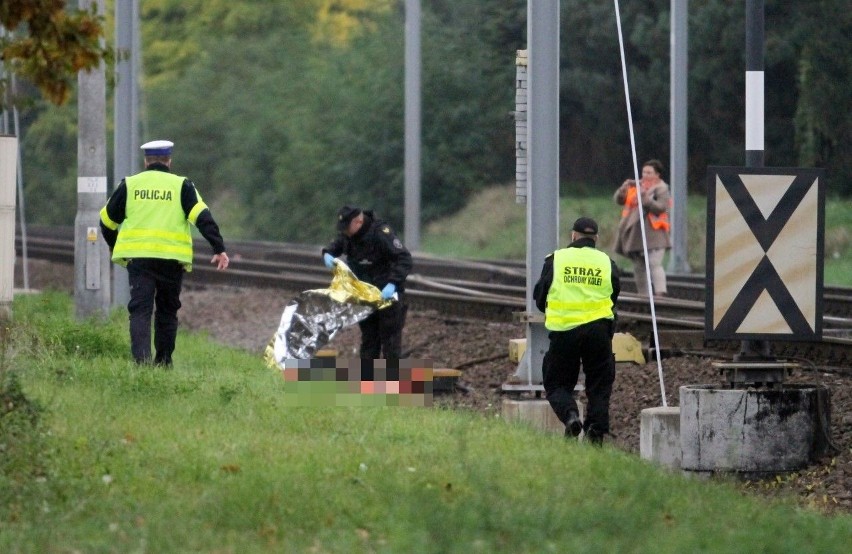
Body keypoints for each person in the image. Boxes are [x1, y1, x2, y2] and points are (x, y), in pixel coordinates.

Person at [99, 140, 229, 366]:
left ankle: (142, 363)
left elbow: (106, 221)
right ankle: (163, 362)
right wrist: (218, 248)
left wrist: (114, 243)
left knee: (140, 311)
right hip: (171, 261)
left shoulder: (130, 185)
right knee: (167, 312)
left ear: (146, 161)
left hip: (140, 260)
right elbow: (202, 217)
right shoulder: (182, 186)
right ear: (169, 161)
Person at [534, 217, 621, 445]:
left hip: (565, 332)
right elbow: (613, 296)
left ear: (573, 236)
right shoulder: (606, 262)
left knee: (556, 384)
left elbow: (540, 298)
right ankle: (595, 435)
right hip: (599, 332)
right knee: (599, 385)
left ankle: (571, 416)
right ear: (596, 239)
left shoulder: (557, 259)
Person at [322, 205, 412, 359]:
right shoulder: (348, 236)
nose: (344, 232)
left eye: (346, 228)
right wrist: (327, 254)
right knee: (369, 342)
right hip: (365, 296)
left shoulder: (381, 233)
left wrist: (392, 283)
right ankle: (367, 381)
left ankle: (394, 382)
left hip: (387, 296)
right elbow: (335, 245)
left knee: (390, 344)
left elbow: (404, 259)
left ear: (358, 221)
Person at [612, 159, 671, 297]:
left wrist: (645, 197)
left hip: (655, 234)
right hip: (636, 235)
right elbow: (620, 200)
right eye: (644, 172)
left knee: (654, 263)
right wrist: (623, 189)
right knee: (639, 267)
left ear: (658, 175)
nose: (645, 175)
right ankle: (643, 296)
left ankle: (660, 294)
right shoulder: (637, 186)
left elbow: (661, 208)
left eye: (649, 172)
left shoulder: (662, 189)